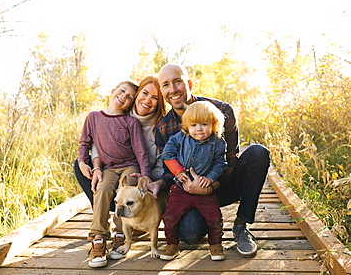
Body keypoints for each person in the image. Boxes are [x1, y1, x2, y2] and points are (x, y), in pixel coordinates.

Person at [155, 63, 270, 258]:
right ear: (162, 91)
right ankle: (203, 224)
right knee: (190, 235)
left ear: (189, 83)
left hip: (220, 183)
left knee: (258, 153)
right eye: (166, 85)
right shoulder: (164, 127)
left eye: (178, 82)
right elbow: (168, 167)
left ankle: (241, 225)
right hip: (188, 191)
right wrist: (177, 183)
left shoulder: (221, 110)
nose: (173, 90)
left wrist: (210, 185)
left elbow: (231, 161)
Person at [77, 80, 152, 268]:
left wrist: (146, 176)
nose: (124, 97)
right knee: (102, 190)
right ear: (113, 91)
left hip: (130, 165)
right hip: (108, 168)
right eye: (122, 91)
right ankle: (98, 237)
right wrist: (82, 162)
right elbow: (84, 143)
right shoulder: (93, 117)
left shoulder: (130, 121)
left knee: (125, 192)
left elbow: (140, 150)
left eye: (129, 98)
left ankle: (121, 233)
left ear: (131, 104)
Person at [158, 101, 227, 261]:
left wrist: (210, 178)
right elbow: (167, 154)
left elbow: (220, 163)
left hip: (204, 190)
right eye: (194, 125)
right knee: (169, 216)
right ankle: (172, 244)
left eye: (204, 124)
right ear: (187, 125)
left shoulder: (218, 142)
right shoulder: (180, 138)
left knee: (215, 218)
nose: (199, 129)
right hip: (180, 188)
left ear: (214, 124)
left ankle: (215, 244)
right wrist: (178, 171)